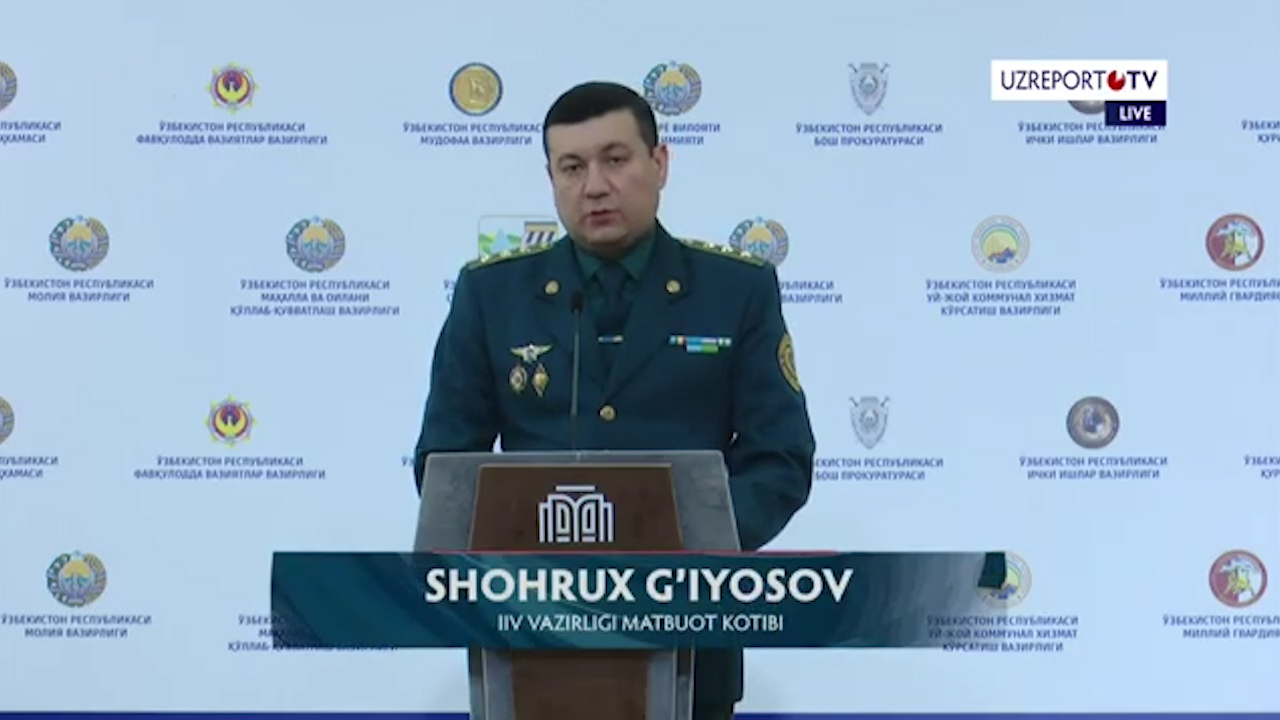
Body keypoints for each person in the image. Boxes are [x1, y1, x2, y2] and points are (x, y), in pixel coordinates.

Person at [413, 80, 816, 720]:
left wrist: (687, 554)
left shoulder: (735, 289)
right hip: (529, 641)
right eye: (572, 167)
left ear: (660, 164)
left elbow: (780, 458)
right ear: (551, 179)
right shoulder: (492, 294)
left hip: (691, 640)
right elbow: (444, 463)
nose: (594, 186)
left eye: (616, 159)